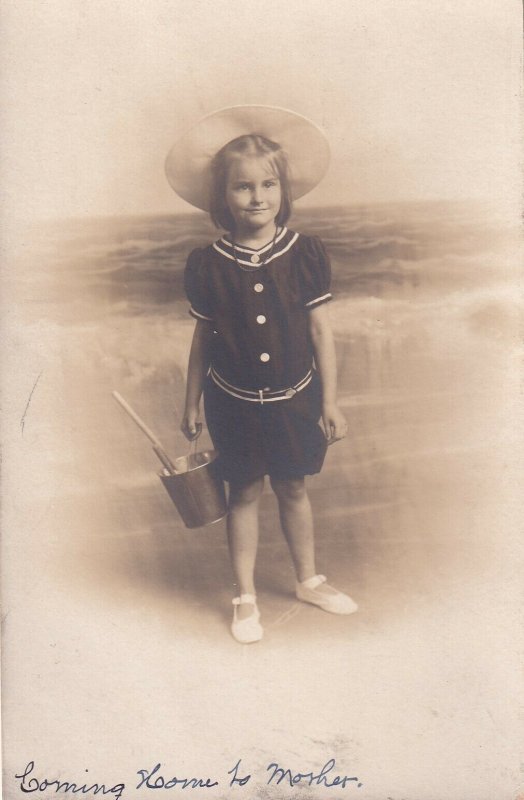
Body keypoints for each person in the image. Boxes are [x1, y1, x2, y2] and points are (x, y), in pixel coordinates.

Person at [165, 106, 358, 643]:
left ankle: (309, 579)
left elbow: (322, 334)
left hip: (298, 396)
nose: (257, 197)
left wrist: (331, 402)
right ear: (221, 198)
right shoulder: (208, 263)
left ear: (283, 189)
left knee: (294, 488)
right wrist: (191, 402)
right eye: (242, 187)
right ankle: (245, 597)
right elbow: (202, 339)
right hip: (233, 401)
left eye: (268, 184)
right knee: (243, 492)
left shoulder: (305, 254)